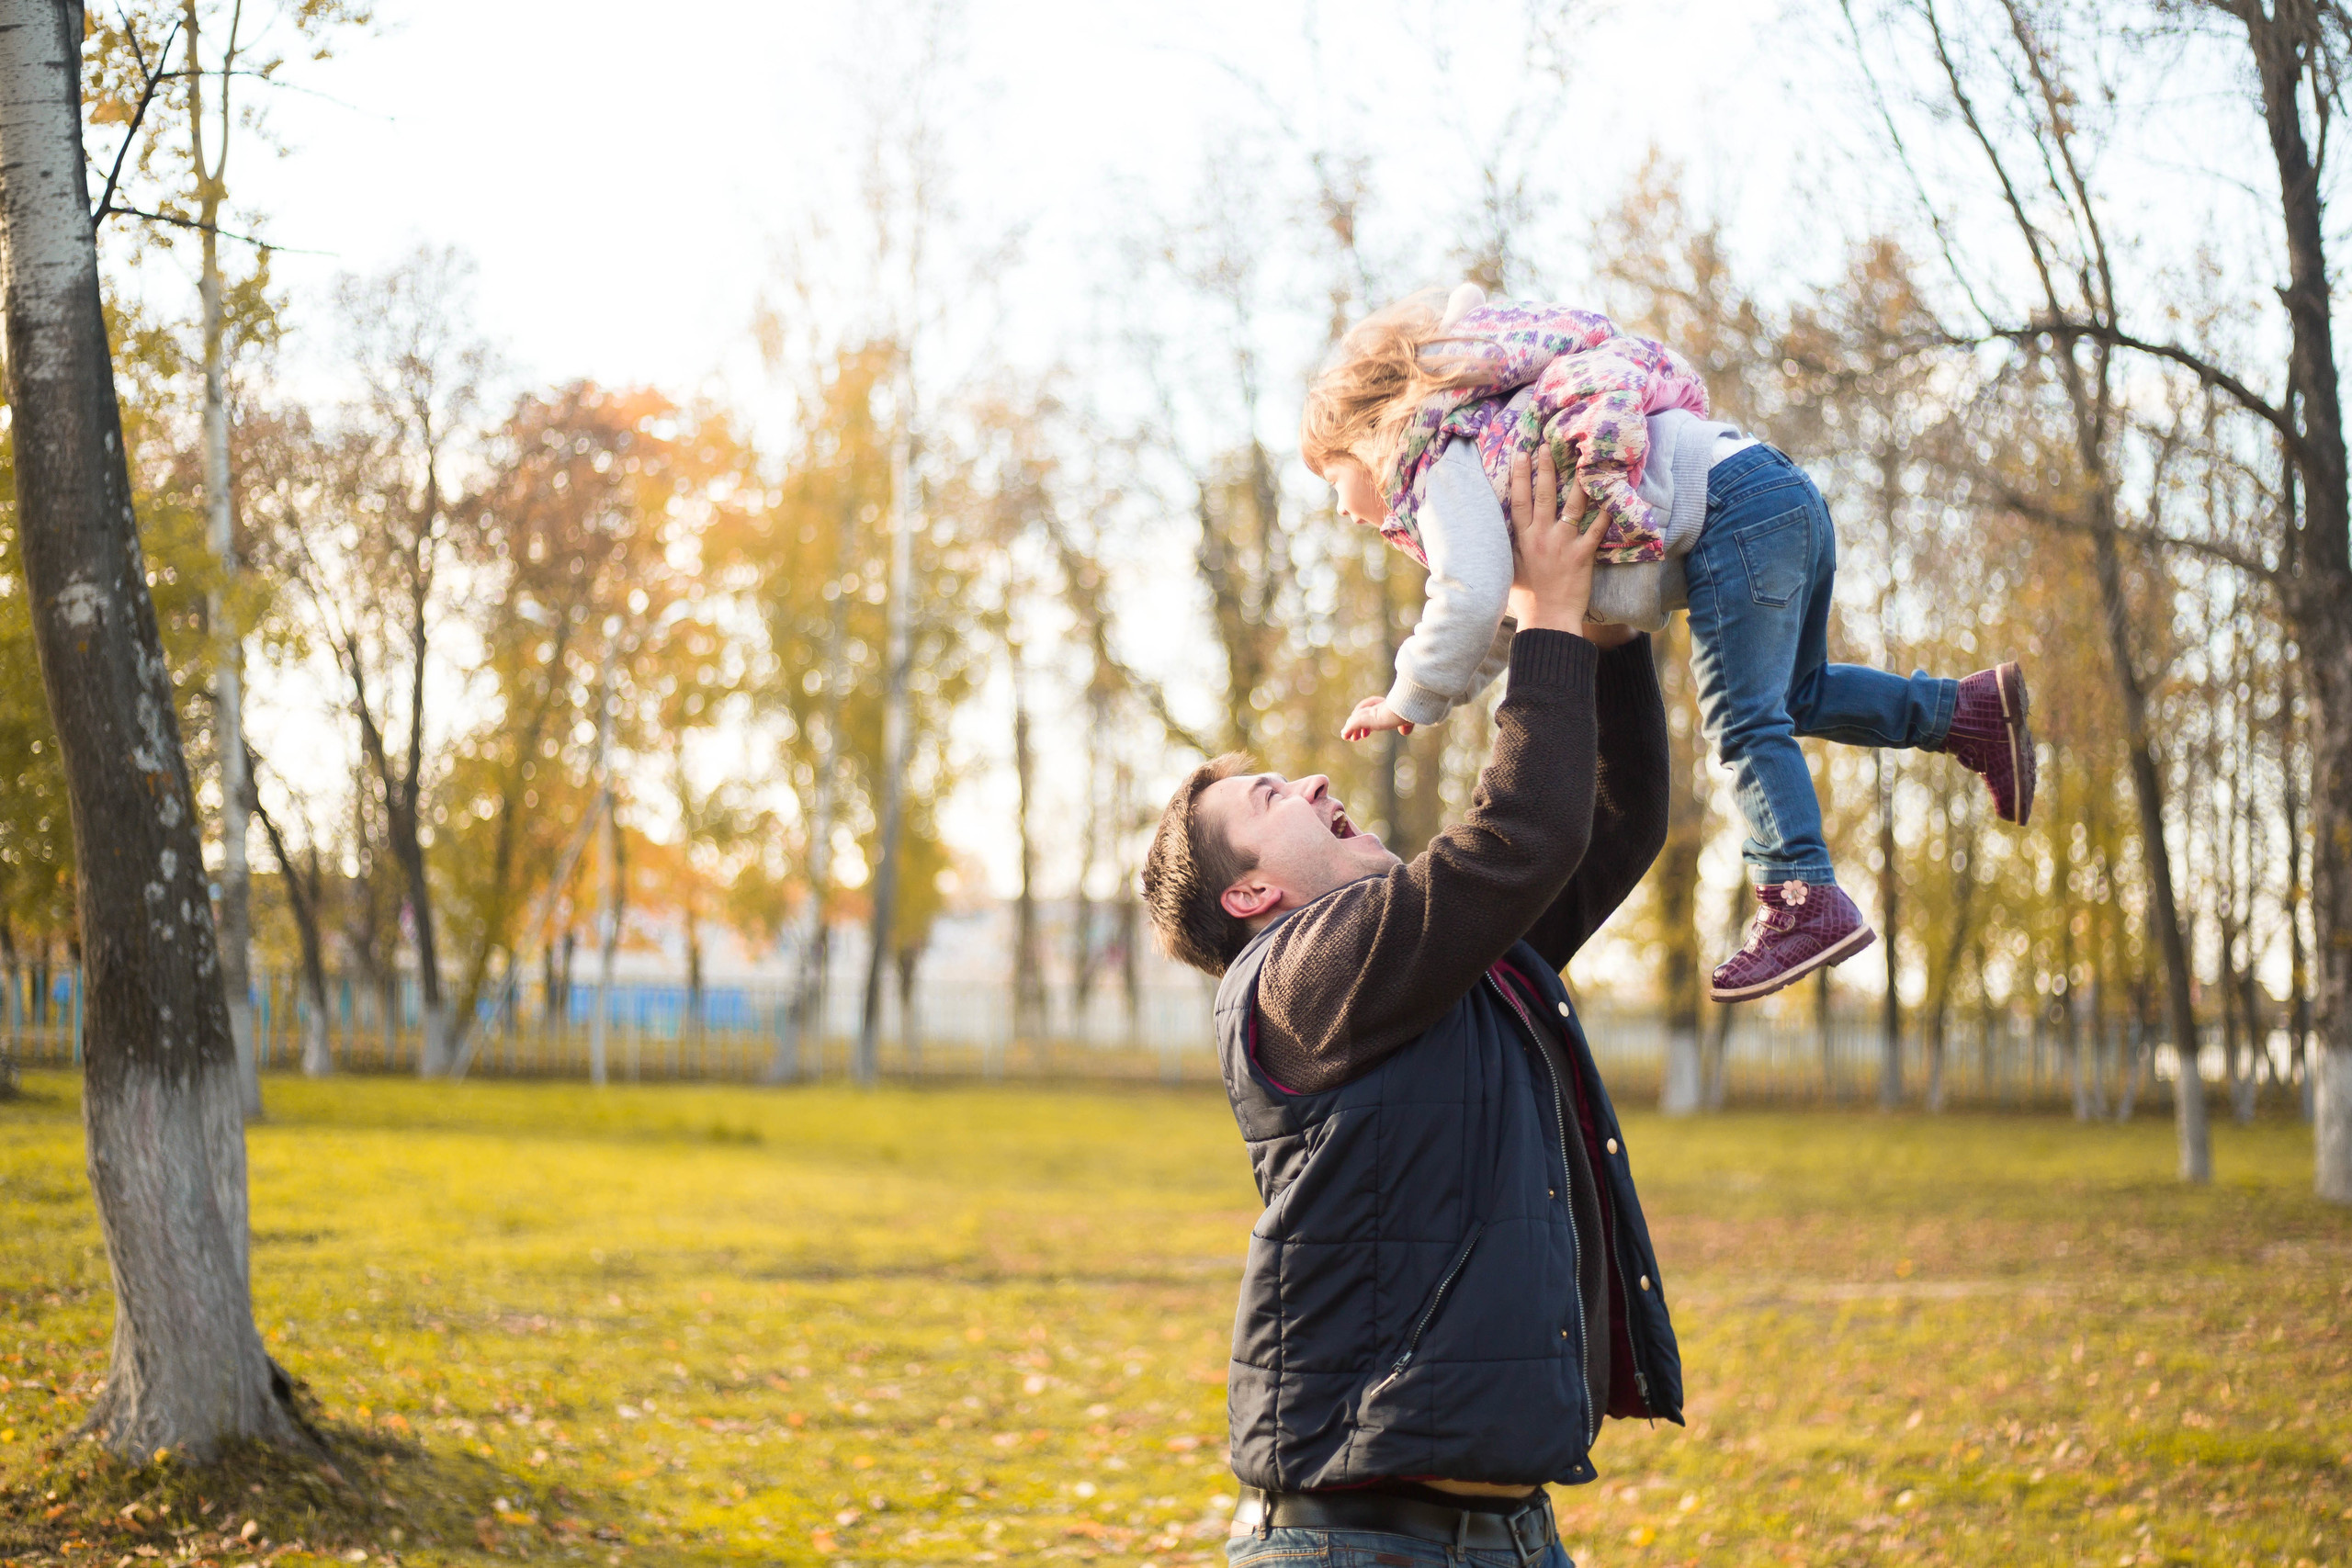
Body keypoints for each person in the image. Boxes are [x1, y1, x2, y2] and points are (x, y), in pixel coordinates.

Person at [1143, 448, 1673, 1568]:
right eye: (1272, 798)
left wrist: (1608, 629)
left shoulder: (1451, 966)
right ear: (1250, 895)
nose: (1316, 784)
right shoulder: (1297, 979)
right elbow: (1519, 834)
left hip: (1514, 1538)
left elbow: (1607, 820)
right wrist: (1546, 615)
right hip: (1359, 1548)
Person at [1301, 284, 2037, 1001]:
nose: (1339, 507)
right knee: (1794, 695)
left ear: (1368, 437)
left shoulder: (1427, 457)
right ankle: (1965, 712)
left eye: (1333, 478)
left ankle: (1800, 890)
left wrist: (1410, 689)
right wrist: (1419, 701)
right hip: (1770, 488)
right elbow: (1502, 613)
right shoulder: (1477, 436)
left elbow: (1470, 591)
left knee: (1743, 718)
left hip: (1729, 514)